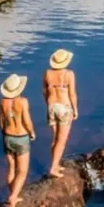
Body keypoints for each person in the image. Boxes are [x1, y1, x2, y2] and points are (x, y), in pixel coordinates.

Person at [0, 74, 36, 207]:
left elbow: (1, 123)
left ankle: (13, 199)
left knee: (12, 168)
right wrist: (32, 132)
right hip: (21, 137)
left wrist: (4, 135)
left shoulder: (2, 102)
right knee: (23, 170)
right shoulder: (23, 101)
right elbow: (27, 121)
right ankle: (13, 197)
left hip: (7, 136)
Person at [43, 49, 78, 179]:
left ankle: (56, 164)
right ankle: (53, 168)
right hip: (64, 107)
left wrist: (48, 104)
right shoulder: (69, 74)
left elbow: (44, 92)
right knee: (62, 140)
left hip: (51, 106)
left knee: (55, 138)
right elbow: (72, 94)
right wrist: (75, 109)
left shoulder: (47, 73)